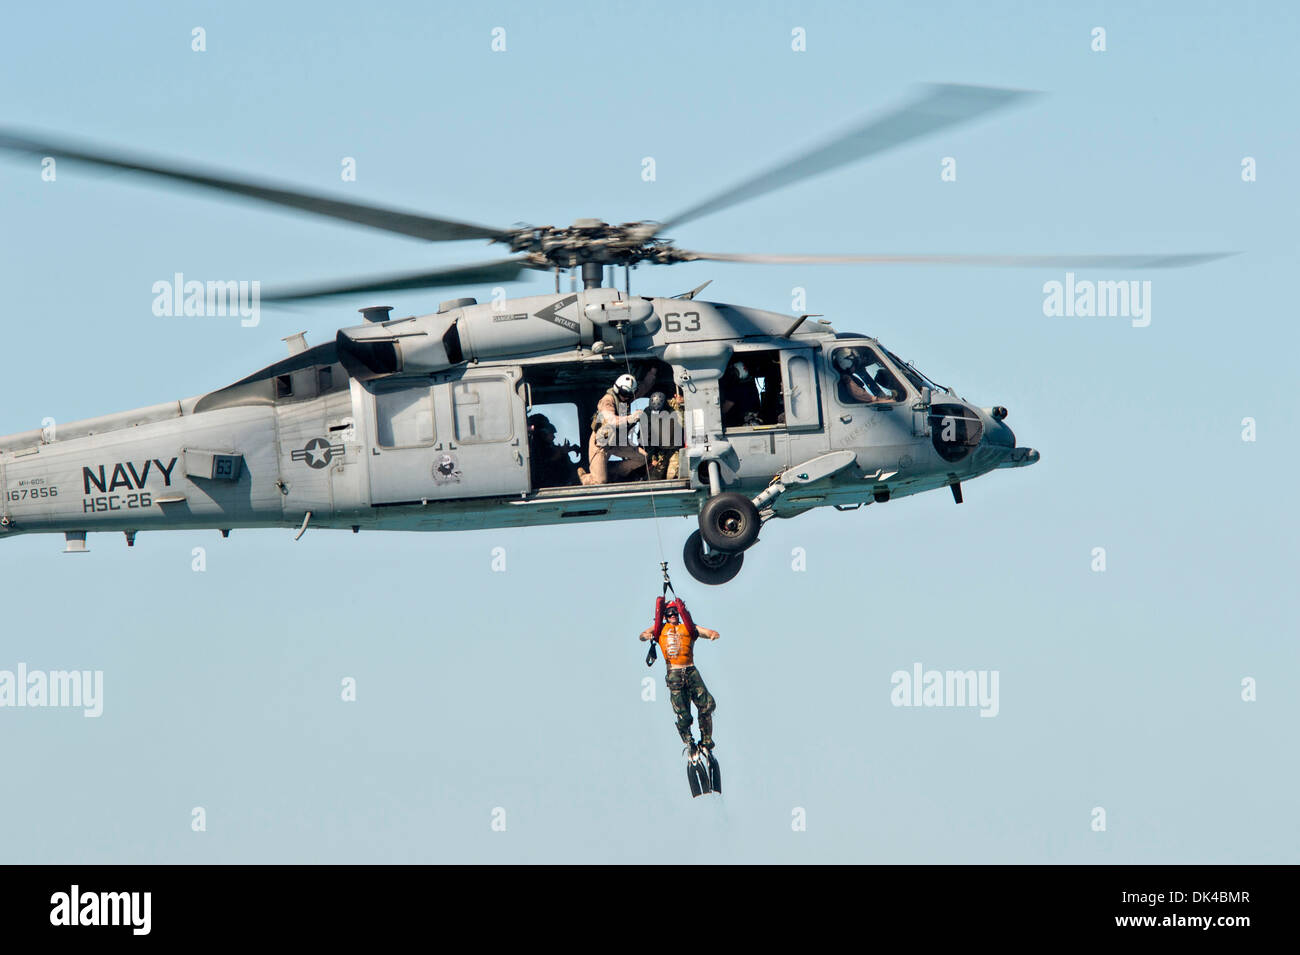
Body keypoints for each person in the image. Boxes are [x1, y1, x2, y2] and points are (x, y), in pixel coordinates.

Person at [639, 598, 720, 756]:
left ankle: (706, 741)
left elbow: (706, 632)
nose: (673, 615)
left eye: (675, 612)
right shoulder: (661, 629)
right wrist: (647, 636)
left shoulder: (688, 628)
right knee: (682, 712)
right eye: (669, 613)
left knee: (707, 705)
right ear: (665, 616)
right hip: (674, 672)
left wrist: (712, 635)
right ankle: (688, 738)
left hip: (690, 670)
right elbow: (642, 635)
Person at [579, 366, 657, 485]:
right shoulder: (607, 400)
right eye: (624, 393)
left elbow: (644, 387)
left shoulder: (626, 398)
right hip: (601, 444)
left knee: (642, 458)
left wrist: (653, 371)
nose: (626, 397)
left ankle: (613, 472)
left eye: (629, 395)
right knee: (600, 481)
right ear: (617, 389)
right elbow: (611, 420)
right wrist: (630, 418)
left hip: (618, 442)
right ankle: (585, 478)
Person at [527, 413, 579, 487]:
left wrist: (568, 449)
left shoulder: (546, 446)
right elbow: (544, 464)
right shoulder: (535, 448)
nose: (554, 436)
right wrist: (561, 452)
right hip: (548, 484)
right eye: (550, 432)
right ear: (542, 433)